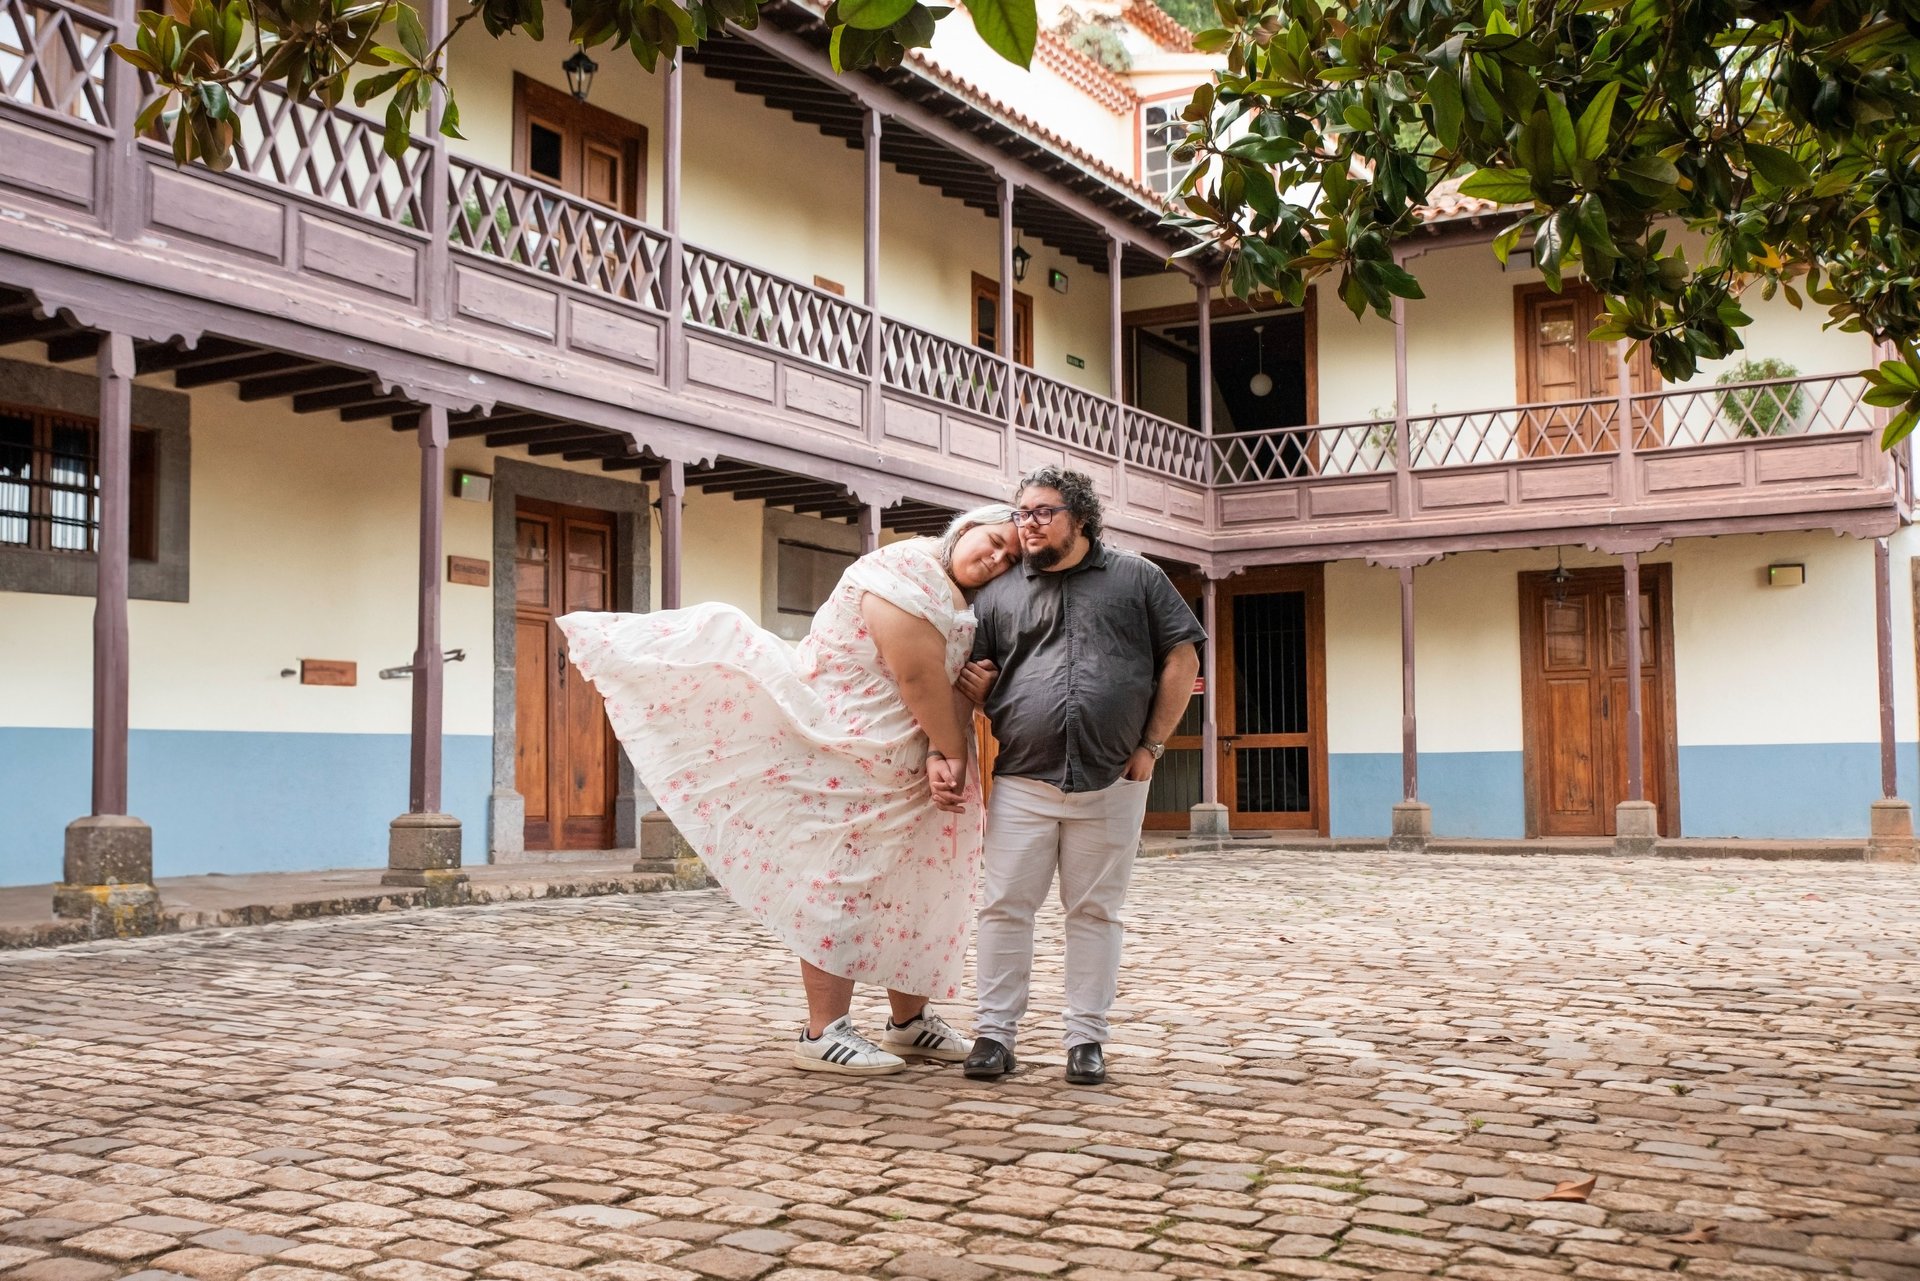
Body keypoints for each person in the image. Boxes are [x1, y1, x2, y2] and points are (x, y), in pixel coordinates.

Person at [557, 505, 1019, 1076]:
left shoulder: (962, 594)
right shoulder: (904, 566)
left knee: (913, 886)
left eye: (1011, 559)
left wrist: (957, 717)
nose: (997, 558)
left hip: (912, 758)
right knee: (842, 883)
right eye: (995, 541)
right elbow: (916, 676)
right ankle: (822, 1031)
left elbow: (946, 681)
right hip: (853, 752)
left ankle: (910, 1022)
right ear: (968, 526)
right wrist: (951, 749)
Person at [957, 467, 1203, 1086]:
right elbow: (978, 674)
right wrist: (978, 689)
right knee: (1004, 909)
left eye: (1042, 512)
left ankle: (1086, 1040)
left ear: (1081, 517)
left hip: (1113, 781)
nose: (1027, 524)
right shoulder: (999, 593)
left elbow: (1182, 655)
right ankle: (994, 1036)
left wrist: (1152, 744)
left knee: (1096, 913)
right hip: (1022, 779)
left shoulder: (1137, 577)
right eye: (1021, 513)